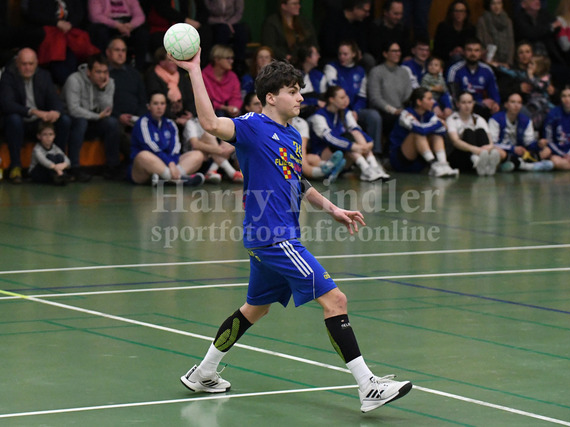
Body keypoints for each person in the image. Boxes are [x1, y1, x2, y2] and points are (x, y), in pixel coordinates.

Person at [172, 50, 412, 412]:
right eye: (293, 91)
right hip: (274, 238)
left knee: (255, 309)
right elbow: (208, 122)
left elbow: (297, 182)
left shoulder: (293, 135)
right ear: (271, 97)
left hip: (273, 237)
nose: (300, 97)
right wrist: (193, 70)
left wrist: (333, 209)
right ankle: (368, 386)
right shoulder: (252, 127)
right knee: (336, 300)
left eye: (300, 90)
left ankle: (203, 372)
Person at [0, 48, 76, 184]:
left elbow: (55, 100)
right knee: (13, 119)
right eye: (24, 64)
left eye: (31, 64)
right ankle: (15, 167)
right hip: (20, 121)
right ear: (17, 63)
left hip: (40, 122)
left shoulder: (44, 76)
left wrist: (55, 112)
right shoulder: (8, 76)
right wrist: (33, 111)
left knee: (64, 120)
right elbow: (7, 104)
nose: (28, 67)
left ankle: (59, 165)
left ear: (36, 63)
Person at [309, 86, 389, 182]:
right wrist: (351, 146)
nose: (346, 100)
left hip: (345, 156)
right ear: (331, 100)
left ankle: (373, 165)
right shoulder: (319, 116)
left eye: (346, 96)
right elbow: (329, 138)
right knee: (347, 139)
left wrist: (369, 142)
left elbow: (356, 128)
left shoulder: (345, 112)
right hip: (325, 155)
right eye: (342, 98)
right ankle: (365, 169)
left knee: (355, 133)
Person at [63, 54, 123, 180]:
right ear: (88, 72)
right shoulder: (74, 80)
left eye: (105, 72)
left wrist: (102, 90)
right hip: (74, 121)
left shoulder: (109, 83)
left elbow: (107, 110)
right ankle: (74, 167)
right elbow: (73, 110)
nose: (102, 76)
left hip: (94, 120)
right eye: (98, 72)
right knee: (81, 122)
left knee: (112, 123)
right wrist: (97, 116)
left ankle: (112, 167)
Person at [130, 91, 205, 186]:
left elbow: (175, 149)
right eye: (155, 103)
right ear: (149, 106)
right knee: (143, 155)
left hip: (168, 166)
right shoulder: (142, 122)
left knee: (198, 155)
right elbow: (151, 148)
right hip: (145, 170)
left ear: (166, 106)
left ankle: (167, 178)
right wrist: (170, 163)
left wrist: (171, 162)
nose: (159, 107)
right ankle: (180, 180)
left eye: (162, 104)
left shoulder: (170, 124)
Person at [324, 40, 383, 155]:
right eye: (340, 54)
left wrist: (356, 110)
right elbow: (333, 92)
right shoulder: (331, 67)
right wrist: (347, 111)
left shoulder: (360, 71)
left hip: (355, 110)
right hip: (337, 109)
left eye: (345, 54)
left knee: (374, 116)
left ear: (353, 54)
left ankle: (374, 153)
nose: (342, 57)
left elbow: (362, 96)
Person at [25, 0, 99, 86]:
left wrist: (70, 24)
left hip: (70, 35)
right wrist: (56, 23)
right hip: (49, 36)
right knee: (61, 66)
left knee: (75, 59)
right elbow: (34, 14)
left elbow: (79, 13)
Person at [388, 87, 459, 177]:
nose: (433, 102)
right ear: (419, 102)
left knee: (436, 135)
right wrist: (438, 123)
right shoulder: (405, 114)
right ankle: (434, 165)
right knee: (418, 134)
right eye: (429, 99)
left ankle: (443, 164)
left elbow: (442, 130)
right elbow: (420, 130)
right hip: (400, 160)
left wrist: (437, 125)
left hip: (420, 160)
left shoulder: (430, 114)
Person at [489, 93, 553, 172]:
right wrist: (512, 149)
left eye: (519, 103)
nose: (516, 105)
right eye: (513, 102)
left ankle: (515, 164)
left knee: (547, 150)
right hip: (503, 151)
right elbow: (492, 143)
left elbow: (528, 143)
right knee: (496, 151)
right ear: (506, 105)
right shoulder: (496, 119)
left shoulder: (526, 120)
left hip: (520, 153)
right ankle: (527, 166)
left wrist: (538, 144)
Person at [106, 37, 147, 160]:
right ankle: (117, 165)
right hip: (113, 116)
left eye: (123, 50)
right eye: (117, 50)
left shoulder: (134, 74)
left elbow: (143, 100)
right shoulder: (103, 73)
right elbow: (100, 101)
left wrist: (138, 118)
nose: (121, 54)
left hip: (135, 117)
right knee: (113, 125)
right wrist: (118, 116)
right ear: (108, 52)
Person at [367, 41, 413, 144]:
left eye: (399, 51)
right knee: (396, 121)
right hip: (383, 111)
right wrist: (393, 110)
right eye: (394, 51)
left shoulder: (404, 72)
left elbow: (408, 95)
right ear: (385, 54)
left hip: (401, 110)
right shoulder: (376, 71)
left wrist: (405, 110)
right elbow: (375, 98)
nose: (398, 54)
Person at [446, 91, 501, 175]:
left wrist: (488, 148)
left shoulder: (479, 119)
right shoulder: (452, 119)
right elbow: (455, 141)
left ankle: (487, 163)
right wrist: (475, 150)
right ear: (458, 104)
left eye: (469, 102)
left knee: (480, 131)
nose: (467, 106)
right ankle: (476, 159)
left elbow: (490, 140)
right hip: (459, 156)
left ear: (473, 104)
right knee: (468, 131)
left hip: (480, 152)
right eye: (463, 102)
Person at [447, 38, 501, 120]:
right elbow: (454, 97)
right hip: (460, 110)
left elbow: (494, 93)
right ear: (464, 52)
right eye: (469, 50)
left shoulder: (487, 70)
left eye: (476, 50)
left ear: (481, 53)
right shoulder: (455, 70)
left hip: (482, 111)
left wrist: (495, 104)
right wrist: (478, 102)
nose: (473, 54)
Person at [87, 0, 149, 70]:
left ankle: (138, 69)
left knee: (142, 33)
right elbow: (95, 16)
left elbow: (140, 15)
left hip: (128, 24)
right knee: (100, 31)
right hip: (107, 24)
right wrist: (117, 25)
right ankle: (104, 67)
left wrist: (130, 26)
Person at [145, 47, 195, 131]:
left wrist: (190, 114)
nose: (175, 63)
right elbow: (156, 103)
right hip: (164, 118)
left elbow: (191, 98)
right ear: (161, 62)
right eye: (171, 60)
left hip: (185, 118)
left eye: (176, 60)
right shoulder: (152, 77)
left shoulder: (181, 77)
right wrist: (175, 119)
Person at [318, 0, 373, 67]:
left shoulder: (360, 24)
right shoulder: (332, 20)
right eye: (365, 11)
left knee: (368, 59)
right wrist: (345, 54)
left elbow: (363, 45)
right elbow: (328, 46)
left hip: (353, 57)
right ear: (355, 8)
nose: (367, 14)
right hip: (334, 56)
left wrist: (356, 53)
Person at [204, 0, 248, 75]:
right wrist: (223, 22)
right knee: (222, 30)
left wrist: (229, 23)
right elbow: (205, 11)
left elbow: (239, 12)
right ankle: (220, 61)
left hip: (232, 21)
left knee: (241, 31)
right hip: (214, 22)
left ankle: (238, 64)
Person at [202, 45, 243, 118]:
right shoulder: (203, 76)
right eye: (228, 58)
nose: (231, 61)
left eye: (232, 58)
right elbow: (204, 100)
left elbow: (236, 97)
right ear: (217, 59)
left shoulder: (232, 76)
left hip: (228, 111)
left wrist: (234, 108)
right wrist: (224, 108)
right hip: (210, 112)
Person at [432, 0, 476, 66]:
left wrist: (464, 51)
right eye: (456, 11)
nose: (459, 14)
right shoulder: (443, 27)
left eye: (462, 11)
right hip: (446, 60)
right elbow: (436, 50)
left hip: (465, 59)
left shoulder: (471, 29)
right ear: (451, 13)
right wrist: (450, 53)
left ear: (466, 14)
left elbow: (474, 48)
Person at [28, 121, 71, 185]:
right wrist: (57, 169)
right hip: (37, 172)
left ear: (54, 136)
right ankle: (60, 176)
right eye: (45, 134)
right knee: (50, 157)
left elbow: (66, 159)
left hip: (53, 169)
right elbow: (44, 161)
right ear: (39, 136)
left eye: (50, 134)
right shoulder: (37, 149)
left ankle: (59, 177)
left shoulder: (55, 147)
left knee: (59, 156)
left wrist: (64, 165)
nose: (48, 137)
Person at [476, 0, 514, 68]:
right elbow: (480, 41)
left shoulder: (508, 21)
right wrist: (489, 60)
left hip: (505, 62)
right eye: (493, 3)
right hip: (489, 60)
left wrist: (508, 62)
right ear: (489, 5)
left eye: (499, 3)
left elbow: (511, 42)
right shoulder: (483, 21)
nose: (496, 6)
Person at [292, 44, 326, 119]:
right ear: (307, 58)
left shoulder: (318, 75)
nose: (319, 56)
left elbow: (323, 98)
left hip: (316, 112)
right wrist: (315, 102)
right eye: (316, 54)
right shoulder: (293, 76)